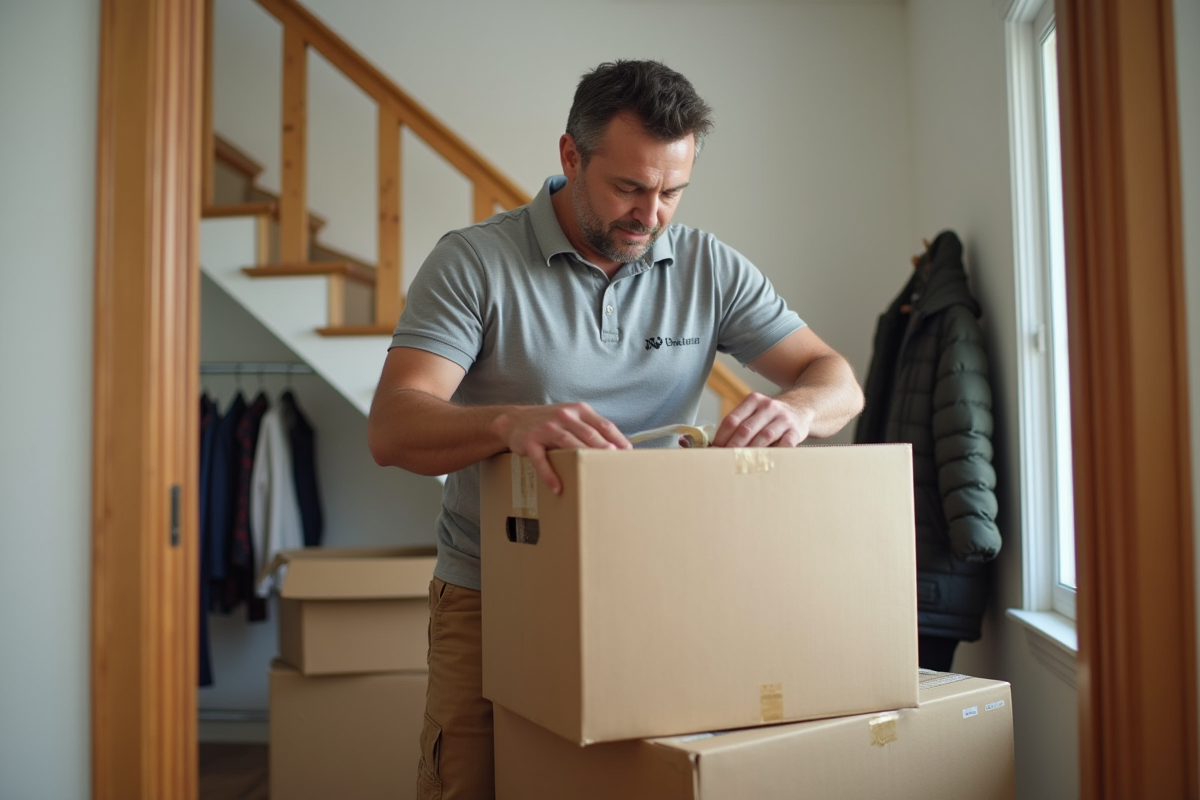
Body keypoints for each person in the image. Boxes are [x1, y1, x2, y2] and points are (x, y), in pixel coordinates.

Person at [367, 59, 864, 800]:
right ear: (571, 157)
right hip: (494, 594)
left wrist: (796, 409)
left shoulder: (708, 267)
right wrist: (510, 421)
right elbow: (392, 427)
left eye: (672, 192)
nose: (651, 213)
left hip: (664, 588)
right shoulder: (474, 262)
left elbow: (837, 378)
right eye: (629, 187)